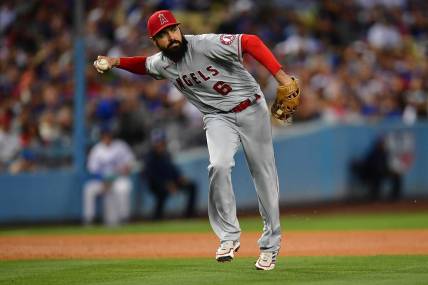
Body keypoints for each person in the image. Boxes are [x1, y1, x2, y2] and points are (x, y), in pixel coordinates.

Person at [94, 10, 300, 270]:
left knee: (264, 176)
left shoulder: (205, 44)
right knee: (219, 166)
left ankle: (270, 246)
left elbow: (250, 42)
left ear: (179, 29)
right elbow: (143, 65)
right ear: (155, 41)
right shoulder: (162, 63)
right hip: (216, 118)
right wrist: (115, 62)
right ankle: (228, 236)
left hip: (251, 108)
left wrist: (281, 77)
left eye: (172, 30)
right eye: (162, 35)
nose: (171, 37)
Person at [83, 126, 136, 226]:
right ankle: (88, 219)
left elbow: (130, 162)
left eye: (108, 134)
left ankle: (124, 218)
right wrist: (103, 180)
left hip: (117, 179)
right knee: (88, 189)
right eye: (104, 135)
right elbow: (92, 170)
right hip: (102, 181)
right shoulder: (97, 149)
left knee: (124, 188)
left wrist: (127, 168)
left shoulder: (121, 146)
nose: (107, 137)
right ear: (101, 136)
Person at [144, 129, 197, 220]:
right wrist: (166, 184)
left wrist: (180, 177)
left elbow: (172, 169)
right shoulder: (149, 157)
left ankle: (189, 215)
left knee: (192, 186)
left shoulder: (166, 154)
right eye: (158, 142)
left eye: (162, 142)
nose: (160, 145)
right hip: (157, 185)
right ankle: (157, 217)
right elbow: (151, 176)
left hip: (171, 182)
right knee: (162, 193)